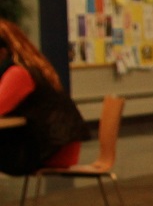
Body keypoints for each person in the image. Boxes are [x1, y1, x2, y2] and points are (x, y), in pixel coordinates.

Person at [0, 19, 89, 176]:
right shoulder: (30, 67)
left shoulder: (19, 73)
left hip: (52, 148)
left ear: (3, 51)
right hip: (52, 143)